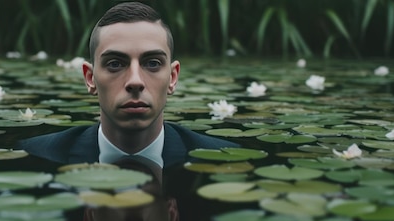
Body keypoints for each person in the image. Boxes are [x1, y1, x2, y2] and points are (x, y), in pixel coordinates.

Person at [15, 1, 238, 168]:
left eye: (152, 63)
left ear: (172, 78)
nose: (135, 81)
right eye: (114, 64)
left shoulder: (224, 157)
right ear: (90, 78)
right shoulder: (33, 155)